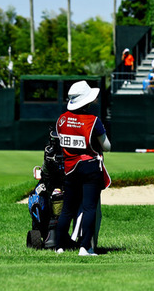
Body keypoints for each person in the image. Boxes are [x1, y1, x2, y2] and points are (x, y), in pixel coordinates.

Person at [54, 81, 111, 256]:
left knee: (67, 209)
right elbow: (107, 146)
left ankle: (59, 246)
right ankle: (85, 247)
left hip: (69, 168)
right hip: (90, 167)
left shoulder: (62, 119)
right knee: (89, 208)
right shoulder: (93, 121)